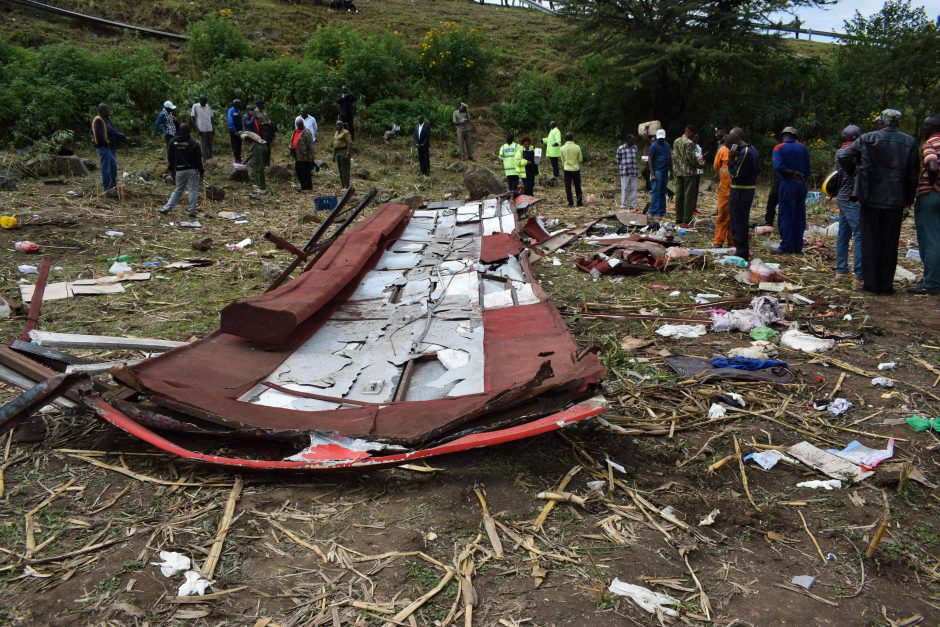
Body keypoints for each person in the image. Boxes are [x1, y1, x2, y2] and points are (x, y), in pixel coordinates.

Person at [838, 109, 919, 295]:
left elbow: (844, 156)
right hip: (896, 200)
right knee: (890, 243)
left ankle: (871, 285)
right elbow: (913, 174)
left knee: (870, 241)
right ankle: (886, 286)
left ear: (882, 121)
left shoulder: (867, 138)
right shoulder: (909, 141)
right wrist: (908, 199)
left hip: (870, 197)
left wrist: (857, 173)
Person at [909, 114, 940, 295]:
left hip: (930, 196)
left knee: (930, 240)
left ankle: (932, 283)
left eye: (927, 126)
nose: (924, 129)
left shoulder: (930, 143)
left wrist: (932, 182)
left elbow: (933, 165)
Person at [772, 126, 811, 253]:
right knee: (799, 214)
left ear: (783, 136)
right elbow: (808, 169)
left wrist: (792, 172)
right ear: (795, 136)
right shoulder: (803, 148)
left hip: (787, 183)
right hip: (801, 184)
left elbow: (778, 167)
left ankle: (786, 246)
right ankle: (797, 246)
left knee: (786, 215)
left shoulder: (779, 148)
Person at [833, 124, 863, 285]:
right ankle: (860, 274)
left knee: (843, 234)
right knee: (860, 233)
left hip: (842, 196)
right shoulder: (855, 153)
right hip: (853, 198)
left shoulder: (839, 152)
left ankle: (842, 270)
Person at [726, 127, 758, 261]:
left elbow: (735, 173)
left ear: (734, 141)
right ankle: (742, 250)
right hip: (747, 190)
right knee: (741, 222)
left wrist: (731, 159)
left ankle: (741, 252)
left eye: (730, 146)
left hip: (740, 191)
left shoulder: (745, 152)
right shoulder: (753, 149)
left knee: (738, 222)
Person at [160, 123, 204, 216]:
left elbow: (170, 157)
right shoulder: (194, 143)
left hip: (179, 170)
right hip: (192, 170)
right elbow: (198, 160)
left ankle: (167, 208)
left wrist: (171, 170)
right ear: (188, 131)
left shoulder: (172, 142)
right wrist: (201, 171)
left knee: (178, 190)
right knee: (192, 190)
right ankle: (192, 211)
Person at [90, 103, 132, 191]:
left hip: (108, 147)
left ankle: (113, 185)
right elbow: (104, 133)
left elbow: (112, 132)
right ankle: (107, 188)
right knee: (106, 167)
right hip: (103, 147)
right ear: (101, 111)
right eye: (106, 110)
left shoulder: (106, 119)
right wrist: (124, 138)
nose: (108, 111)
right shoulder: (99, 120)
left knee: (113, 166)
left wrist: (123, 140)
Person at [672, 125, 698, 226]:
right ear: (690, 132)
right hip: (689, 173)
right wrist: (700, 164)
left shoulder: (676, 141)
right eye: (693, 134)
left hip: (678, 172)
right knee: (689, 196)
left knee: (679, 195)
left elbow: (674, 156)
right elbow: (691, 158)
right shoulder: (689, 142)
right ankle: (687, 219)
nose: (694, 136)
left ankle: (678, 218)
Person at [712, 133, 733, 247]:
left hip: (736, 190)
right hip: (724, 190)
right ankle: (718, 241)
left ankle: (732, 241)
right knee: (722, 215)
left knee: (734, 217)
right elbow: (716, 167)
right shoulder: (722, 151)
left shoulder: (742, 151)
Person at [648, 129, 672, 217]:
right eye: (659, 138)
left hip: (665, 171)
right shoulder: (653, 146)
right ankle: (654, 211)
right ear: (657, 137)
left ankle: (661, 211)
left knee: (663, 191)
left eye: (662, 138)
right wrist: (652, 174)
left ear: (664, 137)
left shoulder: (667, 145)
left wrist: (671, 171)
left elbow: (669, 159)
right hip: (657, 171)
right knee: (656, 191)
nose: (661, 139)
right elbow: (650, 160)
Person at [291, 118, 317, 191]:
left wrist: (311, 157)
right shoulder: (295, 131)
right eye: (298, 125)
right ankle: (302, 186)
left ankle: (308, 187)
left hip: (305, 156)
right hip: (297, 155)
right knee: (298, 171)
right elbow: (293, 140)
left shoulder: (307, 132)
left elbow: (311, 145)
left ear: (302, 124)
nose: (299, 126)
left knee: (305, 172)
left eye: (300, 124)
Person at [559, 132, 583, 207]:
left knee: (568, 187)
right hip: (576, 169)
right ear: (573, 138)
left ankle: (570, 202)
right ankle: (579, 202)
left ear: (565, 139)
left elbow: (562, 160)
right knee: (577, 186)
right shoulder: (577, 147)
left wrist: (565, 164)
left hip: (567, 169)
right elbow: (580, 159)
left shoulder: (562, 148)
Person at [616, 134, 638, 209]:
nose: (634, 141)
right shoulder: (621, 148)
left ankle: (633, 205)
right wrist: (623, 167)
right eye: (632, 140)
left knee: (634, 189)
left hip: (634, 172)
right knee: (625, 189)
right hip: (625, 172)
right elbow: (618, 160)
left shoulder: (635, 148)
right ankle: (623, 205)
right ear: (627, 140)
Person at [190, 94, 214, 160]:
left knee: (210, 146)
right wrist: (197, 129)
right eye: (204, 101)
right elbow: (192, 118)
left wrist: (213, 128)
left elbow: (211, 117)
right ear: (200, 100)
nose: (205, 102)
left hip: (209, 128)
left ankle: (210, 160)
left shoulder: (208, 106)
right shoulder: (195, 106)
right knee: (203, 146)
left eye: (206, 101)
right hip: (202, 129)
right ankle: (205, 161)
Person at [254, 100, 275, 166]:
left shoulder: (264, 111)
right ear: (259, 105)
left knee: (268, 146)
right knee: (263, 147)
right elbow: (255, 122)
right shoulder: (255, 112)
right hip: (261, 130)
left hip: (267, 130)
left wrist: (269, 122)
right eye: (263, 104)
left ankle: (267, 163)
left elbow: (268, 119)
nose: (264, 105)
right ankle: (262, 162)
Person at [333, 120, 353, 188]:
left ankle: (346, 186)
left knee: (345, 170)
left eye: (339, 125)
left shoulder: (346, 132)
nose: (337, 126)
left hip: (343, 151)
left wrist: (348, 153)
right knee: (340, 170)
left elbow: (349, 143)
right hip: (337, 152)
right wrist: (333, 155)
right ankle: (343, 186)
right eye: (336, 125)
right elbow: (335, 144)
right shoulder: (336, 133)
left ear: (342, 125)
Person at [227, 99, 244, 164]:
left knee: (239, 144)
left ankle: (239, 158)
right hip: (234, 130)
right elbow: (230, 122)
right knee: (235, 144)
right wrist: (234, 131)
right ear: (235, 104)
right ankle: (236, 159)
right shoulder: (231, 111)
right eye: (239, 104)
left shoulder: (238, 111)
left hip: (239, 130)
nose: (240, 105)